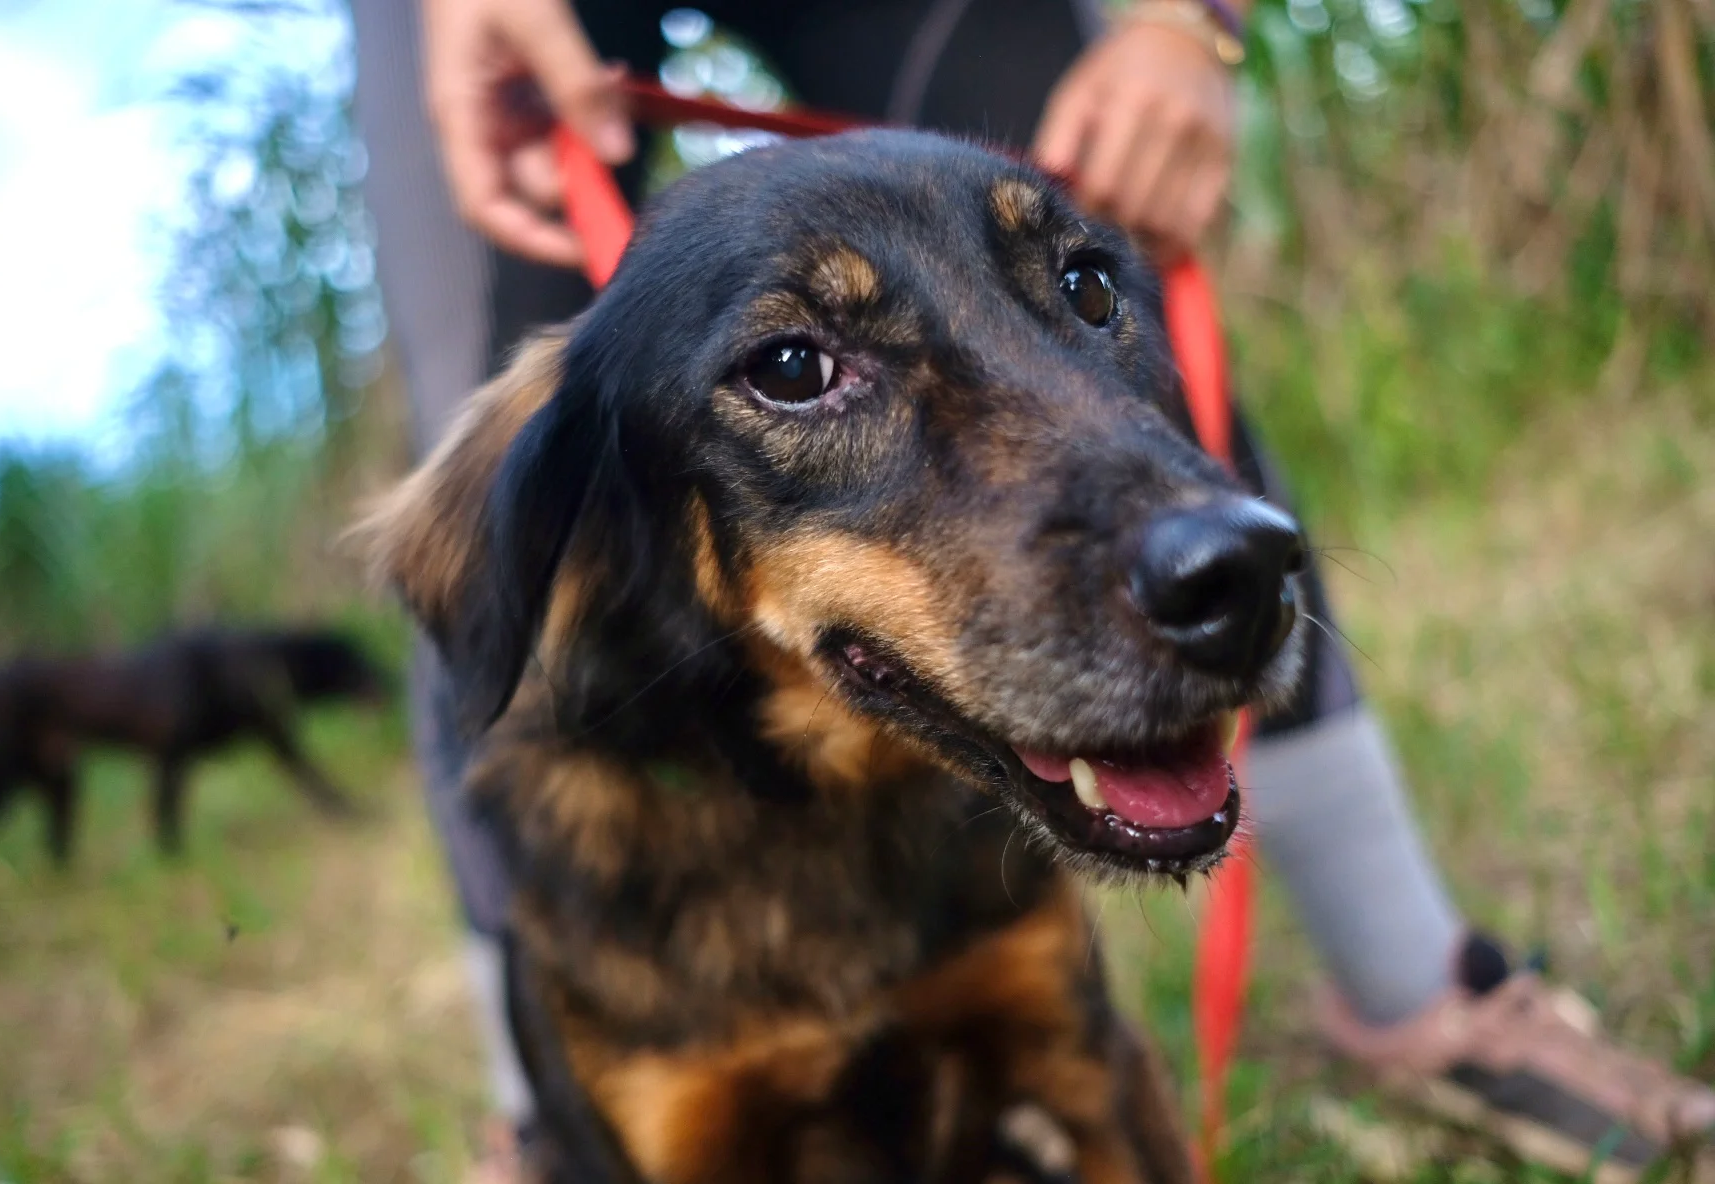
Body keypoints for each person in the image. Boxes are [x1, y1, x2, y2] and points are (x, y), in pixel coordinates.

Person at [347, 0, 1715, 1179]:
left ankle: (1427, 988)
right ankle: (542, 1119)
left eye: (1081, 286)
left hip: (942, 851)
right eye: (794, 368)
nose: (1199, 537)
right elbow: (469, 552)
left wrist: (1186, 29)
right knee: (475, 378)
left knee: (1050, 139)